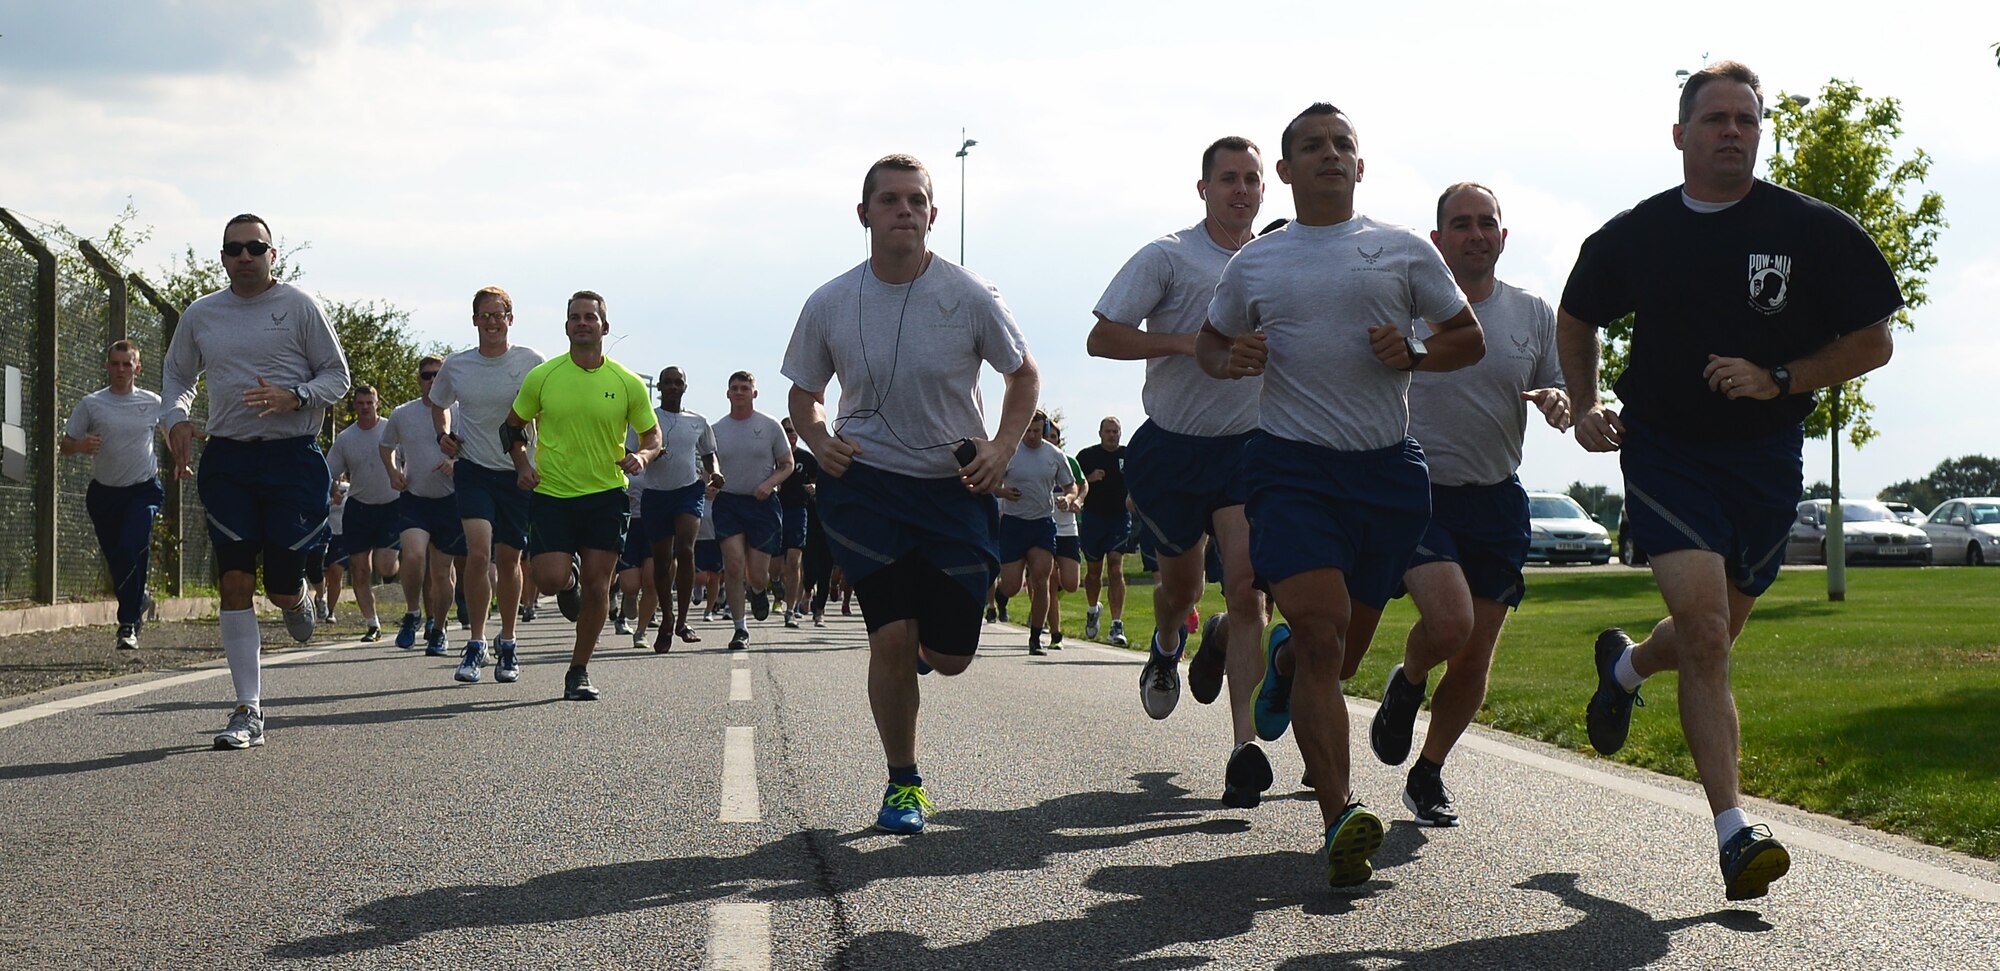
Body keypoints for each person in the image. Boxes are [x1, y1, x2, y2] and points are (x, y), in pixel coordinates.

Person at [1556, 61, 1901, 901]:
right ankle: (1734, 833)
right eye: (1715, 119)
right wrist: (1588, 402)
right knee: (1707, 633)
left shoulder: (1813, 228)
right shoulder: (1636, 234)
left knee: (1716, 631)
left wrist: (1779, 377)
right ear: (1680, 135)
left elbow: (1874, 340)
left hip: (1766, 459)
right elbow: (1578, 317)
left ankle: (1628, 669)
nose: (1733, 132)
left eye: (1746, 119)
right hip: (1667, 450)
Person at [1200, 102, 1484, 887]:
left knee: (1344, 653)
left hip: (1387, 478)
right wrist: (1234, 358)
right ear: (1285, 172)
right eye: (1313, 147)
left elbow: (1468, 338)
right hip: (1291, 470)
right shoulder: (1257, 262)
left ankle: (1287, 665)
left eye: (1343, 145)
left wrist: (1418, 349)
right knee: (1325, 638)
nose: (1330, 155)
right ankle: (1340, 815)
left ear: (1361, 166)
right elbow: (1209, 342)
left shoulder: (1397, 250)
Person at [784, 153, 1038, 834]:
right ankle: (903, 784)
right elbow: (804, 394)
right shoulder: (830, 301)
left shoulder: (970, 294)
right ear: (863, 213)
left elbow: (1024, 376)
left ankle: (928, 651)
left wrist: (1000, 449)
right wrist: (817, 437)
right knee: (890, 636)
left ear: (931, 213)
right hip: (865, 484)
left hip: (954, 487)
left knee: (949, 657)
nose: (904, 210)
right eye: (890, 200)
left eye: (916, 200)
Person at [1366, 182, 1571, 827]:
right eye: (1461, 224)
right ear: (1437, 240)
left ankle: (1428, 773)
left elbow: (1561, 387)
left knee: (1476, 653)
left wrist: (1561, 404)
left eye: (1487, 223)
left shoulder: (1534, 312)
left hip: (1498, 499)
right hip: (1418, 491)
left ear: (1504, 238)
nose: (1476, 234)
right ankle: (1408, 676)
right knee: (1450, 625)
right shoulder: (1406, 308)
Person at [1087, 135, 1276, 809]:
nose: (1241, 190)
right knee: (1181, 585)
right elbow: (1102, 334)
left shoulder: (1276, 262)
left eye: (1252, 179)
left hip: (1248, 448)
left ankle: (1243, 750)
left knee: (1250, 586)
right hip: (1172, 445)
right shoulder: (1168, 254)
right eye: (1228, 179)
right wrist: (1187, 343)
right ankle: (1170, 642)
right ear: (1203, 189)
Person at [160, 213, 350, 750]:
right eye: (233, 249)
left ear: (272, 255)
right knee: (235, 581)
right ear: (223, 258)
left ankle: (296, 599)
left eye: (254, 248)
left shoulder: (299, 306)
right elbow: (177, 376)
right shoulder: (203, 314)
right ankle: (249, 708)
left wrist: (296, 396)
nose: (244, 257)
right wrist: (174, 419)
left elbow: (337, 377)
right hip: (229, 461)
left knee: (279, 585)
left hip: (291, 460)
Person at [504, 290, 661, 701]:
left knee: (599, 587)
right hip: (552, 492)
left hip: (606, 494)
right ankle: (567, 577)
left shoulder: (626, 383)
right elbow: (512, 428)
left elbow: (652, 434)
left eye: (590, 317)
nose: (582, 322)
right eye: (575, 317)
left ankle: (579, 670)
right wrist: (522, 465)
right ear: (567, 326)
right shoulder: (544, 376)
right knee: (551, 579)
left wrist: (643, 456)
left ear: (604, 327)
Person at [429, 286, 545, 684]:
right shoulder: (457, 365)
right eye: (485, 315)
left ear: (510, 320)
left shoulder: (531, 362)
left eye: (500, 315)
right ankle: (476, 642)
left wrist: (539, 460)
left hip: (517, 471)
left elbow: (546, 414)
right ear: (474, 320)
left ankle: (508, 641)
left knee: (510, 560)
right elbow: (439, 402)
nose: (493, 322)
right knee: (479, 555)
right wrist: (444, 435)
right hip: (474, 468)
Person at [61, 340, 165, 650]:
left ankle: (127, 623)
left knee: (134, 543)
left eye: (127, 364)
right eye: (115, 363)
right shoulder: (92, 404)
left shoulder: (153, 402)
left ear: (137, 368)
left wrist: (182, 462)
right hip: (104, 493)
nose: (121, 369)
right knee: (118, 558)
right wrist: (81, 446)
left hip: (143, 489)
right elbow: (66, 444)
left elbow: (171, 432)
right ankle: (139, 599)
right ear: (107, 366)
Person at [379, 357, 466, 655]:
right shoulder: (403, 414)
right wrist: (393, 473)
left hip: (450, 501)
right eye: (426, 376)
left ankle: (439, 629)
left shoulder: (460, 412)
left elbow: (478, 448)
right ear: (419, 380)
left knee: (443, 573)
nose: (432, 381)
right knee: (414, 556)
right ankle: (413, 612)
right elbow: (385, 445)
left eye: (437, 376)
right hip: (415, 498)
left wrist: (456, 462)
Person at [710, 371, 794, 651]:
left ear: (754, 393)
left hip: (761, 504)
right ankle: (739, 629)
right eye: (734, 388)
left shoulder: (770, 426)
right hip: (729, 503)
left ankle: (758, 590)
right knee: (733, 566)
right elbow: (708, 467)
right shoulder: (717, 430)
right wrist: (709, 482)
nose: (739, 392)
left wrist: (769, 484)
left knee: (757, 573)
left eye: (745, 387)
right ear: (727, 393)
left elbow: (787, 464)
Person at [636, 366, 719, 649]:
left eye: (678, 383)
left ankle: (683, 620)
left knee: (685, 549)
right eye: (667, 383)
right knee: (661, 560)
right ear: (659, 388)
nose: (672, 387)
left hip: (689, 490)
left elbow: (709, 454)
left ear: (685, 387)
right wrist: (647, 456)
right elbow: (628, 449)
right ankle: (668, 618)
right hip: (656, 494)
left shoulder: (698, 420)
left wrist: (716, 473)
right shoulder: (646, 419)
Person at [996, 412, 1076, 656]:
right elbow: (990, 483)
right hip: (1013, 524)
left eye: (1037, 431)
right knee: (1011, 586)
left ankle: (1035, 638)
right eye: (1028, 430)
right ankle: (1000, 595)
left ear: (1045, 430)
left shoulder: (1054, 455)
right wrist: (1002, 492)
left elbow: (1071, 485)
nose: (1032, 436)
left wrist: (1069, 498)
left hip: (1042, 524)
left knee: (1042, 580)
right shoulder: (1010, 451)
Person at [326, 385, 401, 642]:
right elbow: (329, 471)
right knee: (359, 569)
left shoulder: (392, 429)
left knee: (385, 566)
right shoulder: (346, 439)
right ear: (355, 406)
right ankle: (373, 624)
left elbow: (413, 457)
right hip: (358, 508)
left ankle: (402, 572)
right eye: (361, 403)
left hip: (391, 506)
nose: (366, 407)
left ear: (377, 403)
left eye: (370, 402)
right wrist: (332, 489)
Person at [1074, 416, 1131, 647]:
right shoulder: (1087, 456)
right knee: (1094, 572)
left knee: (1116, 568)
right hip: (1093, 519)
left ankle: (1117, 624)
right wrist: (1090, 478)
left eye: (1115, 431)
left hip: (1119, 519)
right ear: (1100, 433)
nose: (1112, 435)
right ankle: (1092, 608)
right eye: (1108, 431)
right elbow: (1073, 483)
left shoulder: (1128, 455)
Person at [1044, 422, 1086, 647]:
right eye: (1048, 436)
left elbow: (1082, 484)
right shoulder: (1035, 461)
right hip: (1044, 526)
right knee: (1049, 580)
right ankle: (1055, 633)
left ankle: (1045, 602)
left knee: (1070, 583)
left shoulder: (1069, 462)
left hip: (1067, 528)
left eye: (1055, 437)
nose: (1051, 441)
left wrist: (1077, 500)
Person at [775, 417, 820, 628]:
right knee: (773, 565)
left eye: (793, 430)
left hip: (798, 512)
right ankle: (774, 585)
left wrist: (815, 488)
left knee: (794, 560)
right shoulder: (773, 457)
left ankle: (790, 610)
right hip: (773, 511)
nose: (790, 434)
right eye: (786, 430)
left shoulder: (807, 459)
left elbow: (821, 480)